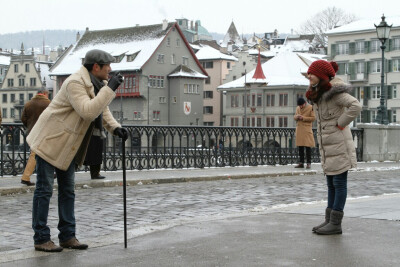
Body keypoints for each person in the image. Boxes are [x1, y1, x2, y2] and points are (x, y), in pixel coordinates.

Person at [27, 49, 129, 252]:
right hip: (51, 140)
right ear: (96, 67)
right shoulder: (75, 82)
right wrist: (111, 90)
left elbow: (102, 109)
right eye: (107, 65)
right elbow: (88, 111)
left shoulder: (97, 84)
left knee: (67, 191)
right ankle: (41, 238)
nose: (110, 69)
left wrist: (115, 127)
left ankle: (67, 236)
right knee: (44, 190)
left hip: (68, 144)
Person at [305, 60, 361, 235]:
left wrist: (341, 123)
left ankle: (336, 223)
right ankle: (329, 220)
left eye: (311, 74)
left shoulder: (334, 93)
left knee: (339, 183)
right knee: (331, 183)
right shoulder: (320, 93)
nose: (309, 76)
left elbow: (356, 105)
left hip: (339, 144)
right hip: (328, 146)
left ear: (321, 75)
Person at [20, 89, 51, 186]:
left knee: (39, 153)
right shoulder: (48, 103)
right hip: (44, 132)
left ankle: (48, 173)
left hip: (31, 132)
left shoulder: (28, 104)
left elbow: (23, 118)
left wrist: (29, 126)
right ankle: (26, 177)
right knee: (37, 154)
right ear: (45, 94)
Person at [293, 97, 315, 169]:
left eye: (301, 105)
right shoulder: (297, 108)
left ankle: (309, 163)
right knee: (300, 146)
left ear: (305, 103)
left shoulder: (311, 107)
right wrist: (297, 117)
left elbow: (313, 118)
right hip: (299, 129)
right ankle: (301, 162)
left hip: (306, 129)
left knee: (308, 146)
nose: (300, 107)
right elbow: (294, 116)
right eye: (299, 106)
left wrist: (303, 118)